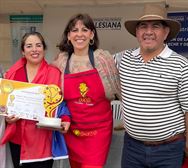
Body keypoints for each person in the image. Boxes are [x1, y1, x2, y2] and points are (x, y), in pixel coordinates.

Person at [114, 4, 188, 168]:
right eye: (143, 26)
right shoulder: (122, 59)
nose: (148, 32)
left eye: (156, 26)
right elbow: (93, 66)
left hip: (169, 150)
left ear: (166, 32)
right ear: (137, 32)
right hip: (132, 148)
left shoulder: (182, 65)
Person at [52, 13, 121, 168]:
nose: (79, 34)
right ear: (68, 36)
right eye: (75, 30)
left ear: (92, 34)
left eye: (84, 29)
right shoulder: (61, 62)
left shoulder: (103, 59)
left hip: (99, 131)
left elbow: (119, 90)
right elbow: (54, 95)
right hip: (72, 131)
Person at [0, 32, 70, 168]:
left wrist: (66, 118)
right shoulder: (12, 74)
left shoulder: (54, 73)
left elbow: (61, 102)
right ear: (22, 51)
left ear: (43, 49)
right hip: (18, 140)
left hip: (43, 140)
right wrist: (8, 117)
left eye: (38, 45)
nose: (34, 50)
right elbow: (5, 105)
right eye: (29, 46)